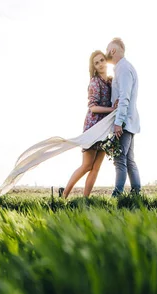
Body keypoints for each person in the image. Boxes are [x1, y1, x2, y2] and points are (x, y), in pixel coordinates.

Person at [60, 51, 118, 198]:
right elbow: (92, 107)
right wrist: (112, 109)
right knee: (87, 165)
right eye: (96, 63)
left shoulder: (112, 82)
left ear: (106, 61)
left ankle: (85, 200)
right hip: (93, 127)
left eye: (102, 60)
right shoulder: (94, 82)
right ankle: (64, 195)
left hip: (105, 129)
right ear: (93, 67)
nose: (100, 64)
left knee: (96, 168)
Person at [106, 37, 141, 197]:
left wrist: (118, 123)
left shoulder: (123, 69)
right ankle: (136, 192)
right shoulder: (125, 68)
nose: (107, 53)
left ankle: (117, 194)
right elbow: (122, 96)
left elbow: (125, 97)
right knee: (129, 159)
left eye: (108, 50)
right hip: (130, 121)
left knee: (120, 159)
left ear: (114, 50)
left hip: (125, 122)